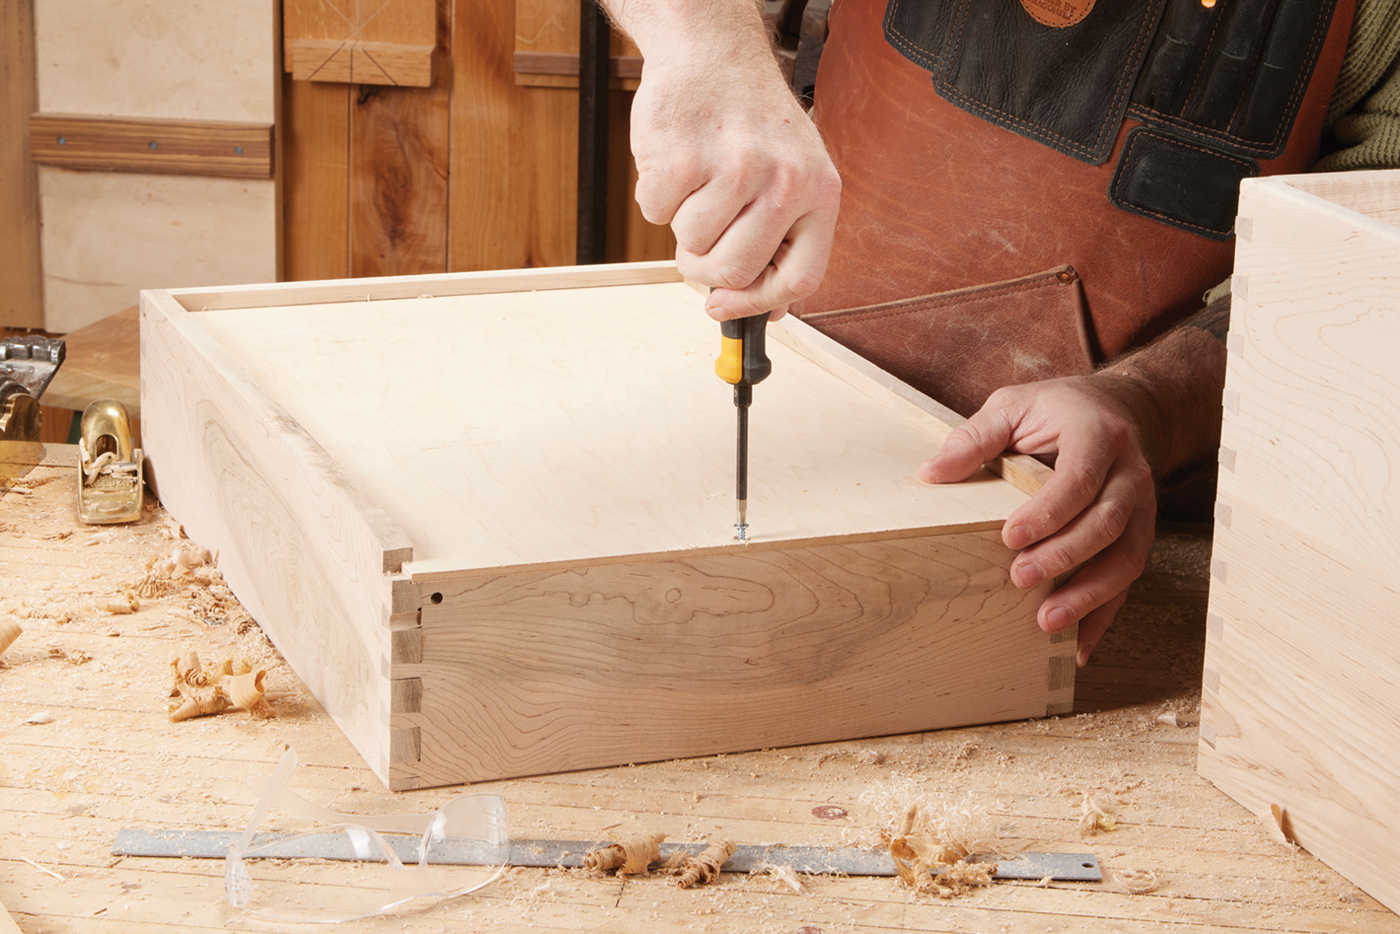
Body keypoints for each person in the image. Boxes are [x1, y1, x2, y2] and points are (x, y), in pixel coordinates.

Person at [600, 0, 1400, 666]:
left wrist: (1148, 401)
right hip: (811, 413)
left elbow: (1361, 270)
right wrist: (705, 42)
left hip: (1112, 547)